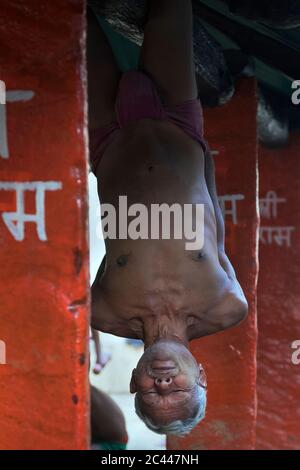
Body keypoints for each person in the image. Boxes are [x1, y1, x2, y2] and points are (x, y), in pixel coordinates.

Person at [87, 0, 248, 436]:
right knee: (170, 8)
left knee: (71, 20)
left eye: (151, 393)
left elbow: (101, 246)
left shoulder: (103, 311)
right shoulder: (226, 306)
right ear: (201, 376)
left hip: (107, 139)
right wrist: (198, 149)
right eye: (176, 391)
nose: (162, 383)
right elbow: (214, 221)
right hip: (176, 125)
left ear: (134, 381)